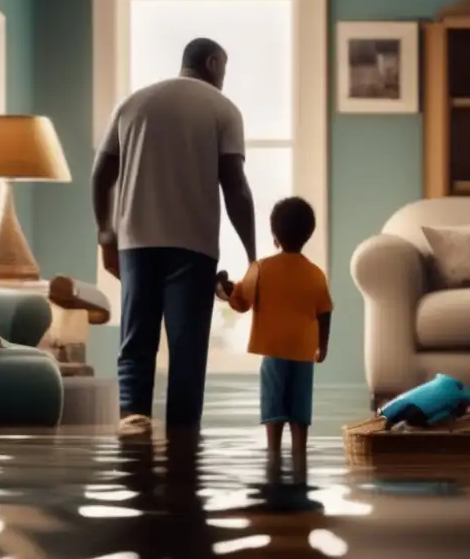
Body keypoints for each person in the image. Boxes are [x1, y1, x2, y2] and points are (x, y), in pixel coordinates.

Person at [91, 37, 256, 429]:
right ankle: (183, 430)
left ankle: (133, 416)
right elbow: (234, 183)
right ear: (214, 63)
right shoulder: (223, 109)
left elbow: (101, 175)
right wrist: (251, 256)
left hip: (136, 240)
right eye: (225, 70)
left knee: (136, 338)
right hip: (193, 243)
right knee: (187, 347)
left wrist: (106, 236)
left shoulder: (133, 103)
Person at [217, 196, 332, 459]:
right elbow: (325, 312)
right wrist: (322, 346)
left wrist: (225, 292)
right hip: (303, 352)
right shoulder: (315, 273)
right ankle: (300, 449)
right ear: (307, 235)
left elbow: (241, 301)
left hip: (274, 350)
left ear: (275, 236)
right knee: (300, 401)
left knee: (274, 401)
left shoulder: (262, 269)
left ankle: (273, 450)